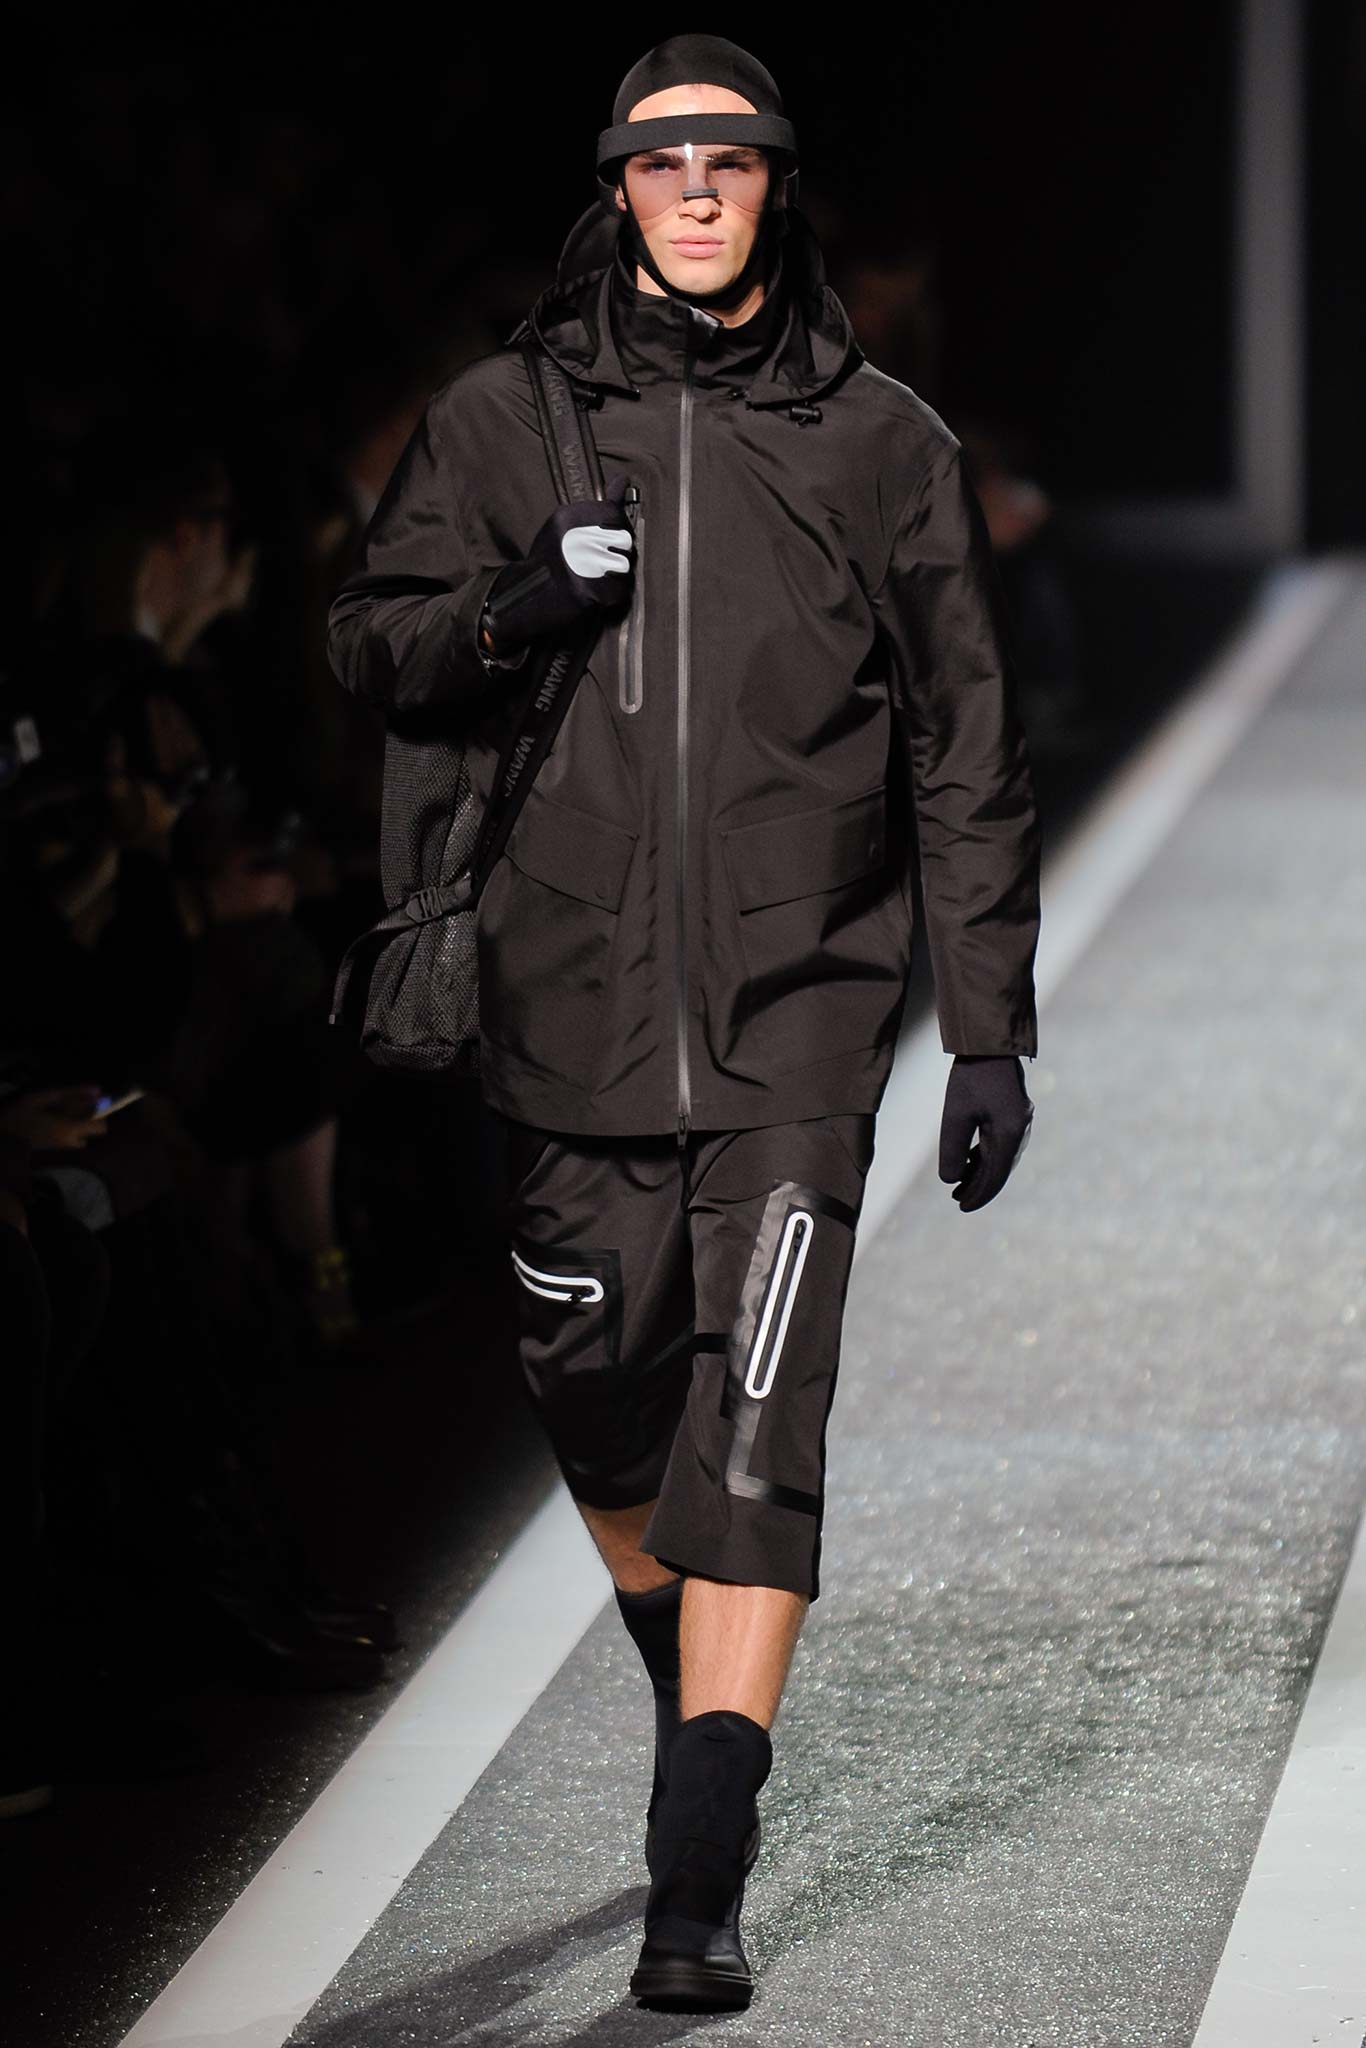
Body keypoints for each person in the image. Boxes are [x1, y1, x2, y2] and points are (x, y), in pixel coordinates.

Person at [329, 34, 1042, 2013]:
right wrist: (515, 607)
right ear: (620, 190)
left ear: (775, 185)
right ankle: (692, 1680)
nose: (700, 189)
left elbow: (965, 748)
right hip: (561, 1011)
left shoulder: (880, 444)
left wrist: (986, 1026)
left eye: (731, 160)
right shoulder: (503, 422)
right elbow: (371, 645)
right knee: (595, 1388)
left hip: (799, 1015)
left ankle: (696, 1862)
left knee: (760, 1415)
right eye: (665, 163)